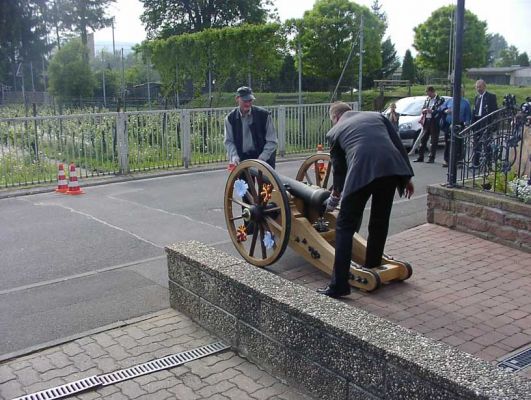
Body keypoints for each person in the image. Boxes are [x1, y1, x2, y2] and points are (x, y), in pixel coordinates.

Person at [317, 102, 415, 299]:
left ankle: (339, 285)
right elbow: (397, 146)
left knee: (344, 227)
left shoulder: (335, 131)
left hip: (361, 172)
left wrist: (335, 198)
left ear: (335, 118)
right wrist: (407, 178)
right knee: (379, 222)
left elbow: (339, 171)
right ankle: (372, 265)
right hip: (391, 171)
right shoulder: (377, 116)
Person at [224, 86, 277, 168]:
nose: (248, 104)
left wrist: (262, 158)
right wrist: (234, 156)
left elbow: (272, 141)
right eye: (245, 101)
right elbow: (229, 141)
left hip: (263, 157)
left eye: (250, 100)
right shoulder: (230, 118)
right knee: (241, 181)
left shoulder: (264, 115)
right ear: (237, 99)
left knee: (266, 181)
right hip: (242, 158)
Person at [441, 89, 472, 168]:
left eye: (459, 92)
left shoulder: (465, 102)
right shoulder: (449, 101)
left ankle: (459, 161)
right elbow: (442, 108)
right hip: (449, 124)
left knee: (459, 143)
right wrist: (446, 111)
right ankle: (446, 160)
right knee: (448, 142)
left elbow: (468, 114)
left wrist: (467, 124)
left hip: (459, 124)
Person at [414, 86, 445, 164]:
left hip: (434, 121)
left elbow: (440, 110)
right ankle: (420, 157)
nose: (427, 94)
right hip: (426, 120)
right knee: (423, 139)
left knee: (433, 140)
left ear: (432, 92)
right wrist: (424, 110)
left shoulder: (440, 99)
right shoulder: (427, 99)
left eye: (428, 92)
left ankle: (431, 157)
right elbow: (423, 107)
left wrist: (432, 111)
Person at [472, 79, 498, 168]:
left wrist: (493, 124)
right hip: (477, 122)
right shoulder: (476, 97)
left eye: (480, 87)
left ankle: (488, 163)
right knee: (476, 143)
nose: (478, 89)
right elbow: (475, 111)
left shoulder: (491, 97)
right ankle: (475, 163)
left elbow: (495, 111)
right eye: (477, 87)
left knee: (487, 144)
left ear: (484, 86)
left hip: (486, 122)